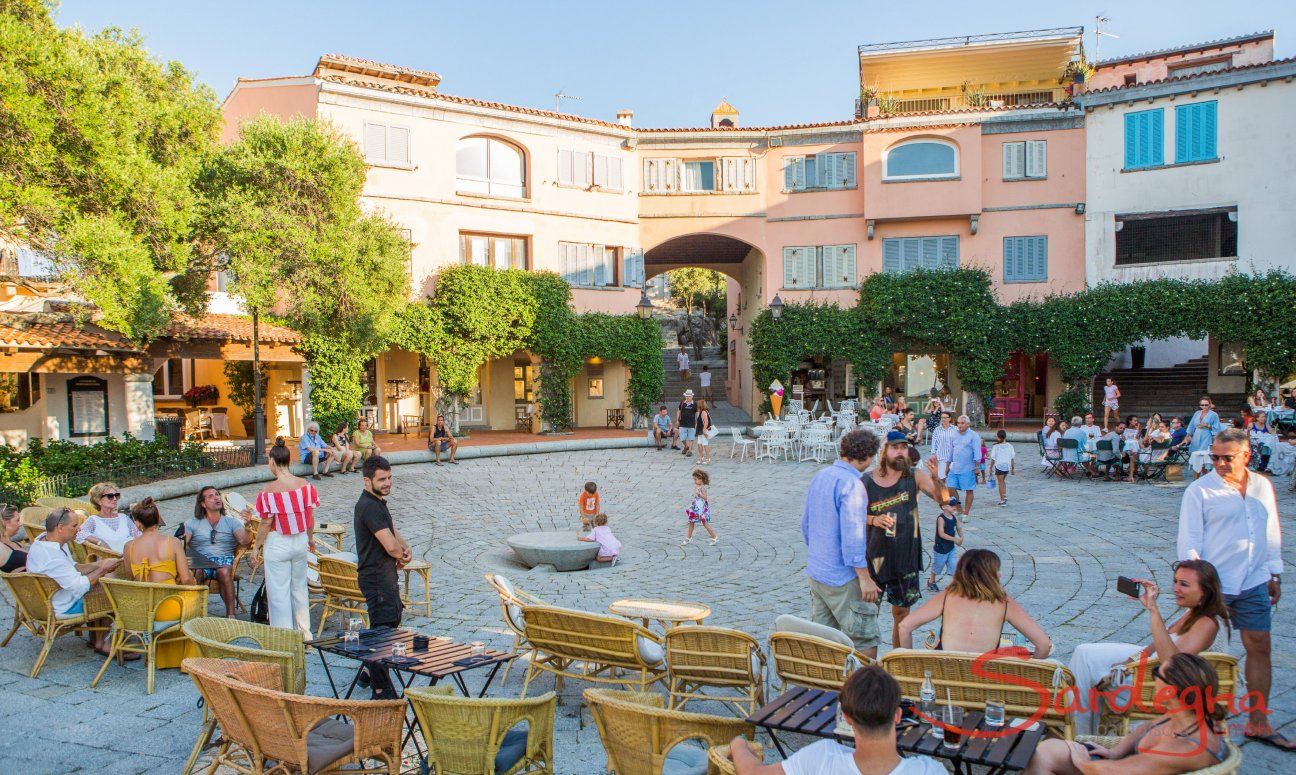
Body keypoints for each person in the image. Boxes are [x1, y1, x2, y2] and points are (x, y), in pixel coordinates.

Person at [1177, 427, 1291, 751]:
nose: (1220, 463)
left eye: (1227, 458)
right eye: (1214, 457)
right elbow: (1189, 543)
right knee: (1197, 650)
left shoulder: (1262, 486)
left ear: (1246, 455)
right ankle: (1193, 723)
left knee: (1260, 645)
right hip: (1215, 583)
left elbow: (1270, 530)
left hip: (1254, 578)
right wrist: (1193, 587)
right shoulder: (1200, 491)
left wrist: (1275, 572)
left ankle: (1258, 721)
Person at [1067, 559, 1229, 735]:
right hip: (1150, 670)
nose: (1176, 588)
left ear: (1205, 591)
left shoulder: (1207, 623)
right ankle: (1081, 728)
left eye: (1184, 584)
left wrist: (1153, 610)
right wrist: (1128, 662)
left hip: (1162, 686)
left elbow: (1174, 664)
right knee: (1084, 654)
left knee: (1086, 663)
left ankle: (1079, 734)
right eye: (1175, 581)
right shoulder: (1192, 611)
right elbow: (1155, 646)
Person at [1024, 653, 1232, 775]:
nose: (1153, 677)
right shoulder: (1185, 716)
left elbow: (1117, 772)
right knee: (1045, 751)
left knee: (1043, 755)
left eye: (1157, 672)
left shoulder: (1185, 748)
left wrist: (1083, 763)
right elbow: (1146, 728)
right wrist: (1115, 751)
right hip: (1123, 765)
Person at [728, 665, 946, 775]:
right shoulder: (930, 770)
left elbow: (754, 773)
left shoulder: (822, 757)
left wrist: (738, 744)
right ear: (898, 715)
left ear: (847, 718)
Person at [866, 431, 950, 649]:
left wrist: (937, 478)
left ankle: (898, 670)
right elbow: (850, 516)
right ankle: (867, 674)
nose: (900, 451)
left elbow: (945, 501)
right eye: (895, 447)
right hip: (873, 559)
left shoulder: (915, 476)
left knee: (902, 616)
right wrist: (874, 520)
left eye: (904, 447)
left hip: (906, 557)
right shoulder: (867, 480)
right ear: (884, 452)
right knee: (867, 618)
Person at [801, 429, 881, 656]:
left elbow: (805, 524)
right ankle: (865, 690)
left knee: (824, 641)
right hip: (842, 577)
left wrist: (819, 552)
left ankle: (827, 687)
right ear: (866, 456)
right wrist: (864, 578)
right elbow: (853, 537)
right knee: (864, 637)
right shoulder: (853, 485)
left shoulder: (821, 475)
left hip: (817, 571)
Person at [898, 549, 1051, 657]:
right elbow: (1044, 645)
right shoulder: (1004, 603)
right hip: (983, 681)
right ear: (992, 575)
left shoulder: (948, 595)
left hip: (944, 680)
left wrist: (908, 663)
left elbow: (904, 626)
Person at [354, 455, 411, 699]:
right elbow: (388, 545)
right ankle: (381, 688)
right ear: (367, 481)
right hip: (376, 577)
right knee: (382, 631)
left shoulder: (378, 502)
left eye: (389, 478)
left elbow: (392, 531)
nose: (388, 483)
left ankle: (368, 672)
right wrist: (399, 555)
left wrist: (405, 548)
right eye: (382, 479)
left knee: (392, 618)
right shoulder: (368, 505)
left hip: (384, 574)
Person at [26, 508, 121, 653]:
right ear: (60, 528)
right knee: (116, 589)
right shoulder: (52, 556)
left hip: (48, 600)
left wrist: (98, 564)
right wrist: (104, 570)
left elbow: (73, 567)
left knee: (107, 579)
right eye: (75, 526)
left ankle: (97, 638)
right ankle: (106, 643)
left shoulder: (43, 540)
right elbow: (79, 586)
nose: (79, 529)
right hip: (62, 605)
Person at [252, 438, 318, 638]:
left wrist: (256, 547)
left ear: (272, 462)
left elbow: (265, 522)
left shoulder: (268, 491)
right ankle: (304, 634)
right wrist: (311, 539)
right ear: (289, 460)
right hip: (299, 541)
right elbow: (310, 517)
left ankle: (285, 637)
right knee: (299, 589)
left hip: (278, 542)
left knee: (278, 593)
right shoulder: (305, 485)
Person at [122, 497, 198, 669]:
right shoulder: (173, 542)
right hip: (168, 607)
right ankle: (185, 655)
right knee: (193, 596)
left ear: (138, 523)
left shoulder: (129, 547)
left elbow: (129, 577)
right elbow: (186, 579)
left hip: (142, 609)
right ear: (158, 520)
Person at [182, 486, 250, 617]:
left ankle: (231, 615)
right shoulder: (192, 523)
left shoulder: (232, 522)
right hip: (201, 561)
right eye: (211, 496)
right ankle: (195, 613)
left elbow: (244, 542)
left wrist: (247, 525)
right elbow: (183, 543)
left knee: (223, 571)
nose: (216, 497)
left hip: (223, 559)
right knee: (197, 572)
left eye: (217, 494)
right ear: (202, 504)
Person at [77, 482, 140, 553]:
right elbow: (78, 534)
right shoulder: (94, 520)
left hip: (131, 557)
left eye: (116, 495)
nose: (115, 499)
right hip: (110, 560)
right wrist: (100, 542)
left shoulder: (124, 518)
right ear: (99, 501)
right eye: (110, 496)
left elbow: (138, 536)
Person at [946, 415, 982, 518]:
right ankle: (959, 508)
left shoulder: (974, 435)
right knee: (950, 488)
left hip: (968, 468)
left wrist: (976, 467)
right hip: (955, 467)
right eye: (958, 423)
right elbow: (951, 451)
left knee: (969, 490)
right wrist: (947, 466)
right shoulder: (954, 434)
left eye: (962, 423)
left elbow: (977, 452)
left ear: (968, 424)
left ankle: (966, 513)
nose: (959, 425)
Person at [926, 497, 962, 592]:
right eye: (952, 505)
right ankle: (931, 581)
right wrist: (955, 539)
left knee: (954, 566)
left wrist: (961, 537)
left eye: (955, 505)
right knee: (938, 566)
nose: (954, 507)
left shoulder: (954, 517)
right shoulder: (941, 519)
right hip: (941, 548)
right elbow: (941, 533)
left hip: (951, 548)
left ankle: (954, 584)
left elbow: (958, 528)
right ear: (944, 507)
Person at [1186, 397, 1222, 480]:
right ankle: (1197, 480)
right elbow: (1191, 425)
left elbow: (1217, 428)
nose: (1204, 407)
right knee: (1196, 458)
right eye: (1202, 405)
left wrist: (1207, 425)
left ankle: (1205, 478)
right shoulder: (1197, 413)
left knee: (1204, 458)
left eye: (1206, 405)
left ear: (1209, 405)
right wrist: (1187, 436)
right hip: (1196, 435)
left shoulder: (1213, 415)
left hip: (1206, 436)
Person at [682, 468, 717, 546]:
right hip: (696, 507)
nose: (694, 481)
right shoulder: (697, 486)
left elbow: (705, 498)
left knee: (704, 523)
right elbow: (695, 496)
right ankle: (688, 537)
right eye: (694, 479)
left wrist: (699, 493)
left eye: (696, 479)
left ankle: (714, 537)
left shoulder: (702, 488)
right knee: (691, 521)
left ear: (701, 479)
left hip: (701, 508)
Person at [989, 429, 1016, 506]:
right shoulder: (1010, 446)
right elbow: (1012, 458)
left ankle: (1002, 500)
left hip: (999, 466)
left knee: (1000, 483)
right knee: (1003, 481)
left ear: (998, 437)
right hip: (1007, 467)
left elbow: (993, 459)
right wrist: (1013, 469)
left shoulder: (996, 447)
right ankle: (1004, 495)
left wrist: (990, 467)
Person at [0, 504, 27, 572]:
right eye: (17, 520)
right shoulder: (1, 548)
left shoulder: (17, 544)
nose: (20, 524)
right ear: (4, 522)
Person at [930, 412, 956, 481]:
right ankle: (942, 492)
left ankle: (950, 491)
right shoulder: (937, 430)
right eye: (942, 418)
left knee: (952, 479)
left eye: (945, 418)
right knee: (942, 479)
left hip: (953, 458)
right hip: (941, 456)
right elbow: (934, 443)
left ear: (949, 418)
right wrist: (933, 453)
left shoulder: (955, 429)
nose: (943, 419)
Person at [676, 389, 699, 457]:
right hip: (682, 423)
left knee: (691, 438)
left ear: (692, 396)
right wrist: (677, 420)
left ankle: (690, 451)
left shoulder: (695, 404)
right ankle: (686, 446)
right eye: (686, 396)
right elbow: (678, 411)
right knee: (682, 438)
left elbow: (697, 413)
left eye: (689, 396)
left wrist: (697, 422)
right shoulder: (682, 403)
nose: (687, 397)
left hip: (691, 423)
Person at [1121, 416, 1142, 483]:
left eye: (1137, 421)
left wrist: (1138, 430)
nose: (1136, 422)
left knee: (1133, 457)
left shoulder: (1136, 430)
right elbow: (1123, 439)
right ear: (1130, 421)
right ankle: (1130, 475)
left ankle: (1131, 476)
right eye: (1135, 420)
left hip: (1134, 448)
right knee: (1131, 456)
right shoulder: (1124, 429)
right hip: (1125, 448)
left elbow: (1136, 439)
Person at [695, 399, 714, 465]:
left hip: (703, 431)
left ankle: (708, 459)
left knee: (705, 445)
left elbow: (706, 422)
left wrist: (704, 430)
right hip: (700, 431)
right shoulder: (700, 412)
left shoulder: (703, 412)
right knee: (699, 444)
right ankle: (701, 458)